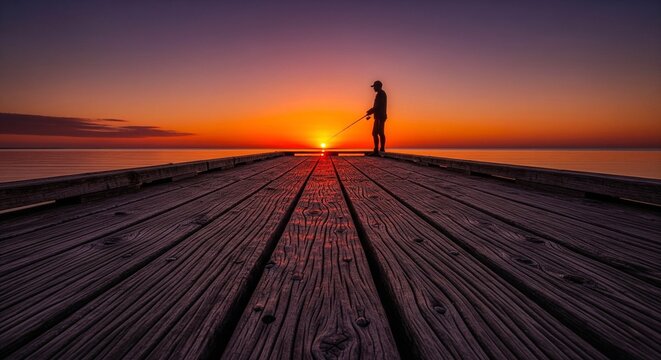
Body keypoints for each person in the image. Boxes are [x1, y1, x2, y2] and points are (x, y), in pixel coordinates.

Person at [366, 80, 387, 155]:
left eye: (374, 86)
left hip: (380, 117)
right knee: (377, 133)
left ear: (378, 86)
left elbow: (377, 106)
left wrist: (370, 111)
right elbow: (377, 106)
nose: (373, 88)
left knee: (378, 133)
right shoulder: (380, 94)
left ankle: (379, 150)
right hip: (379, 116)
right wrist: (371, 111)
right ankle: (379, 149)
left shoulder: (380, 94)